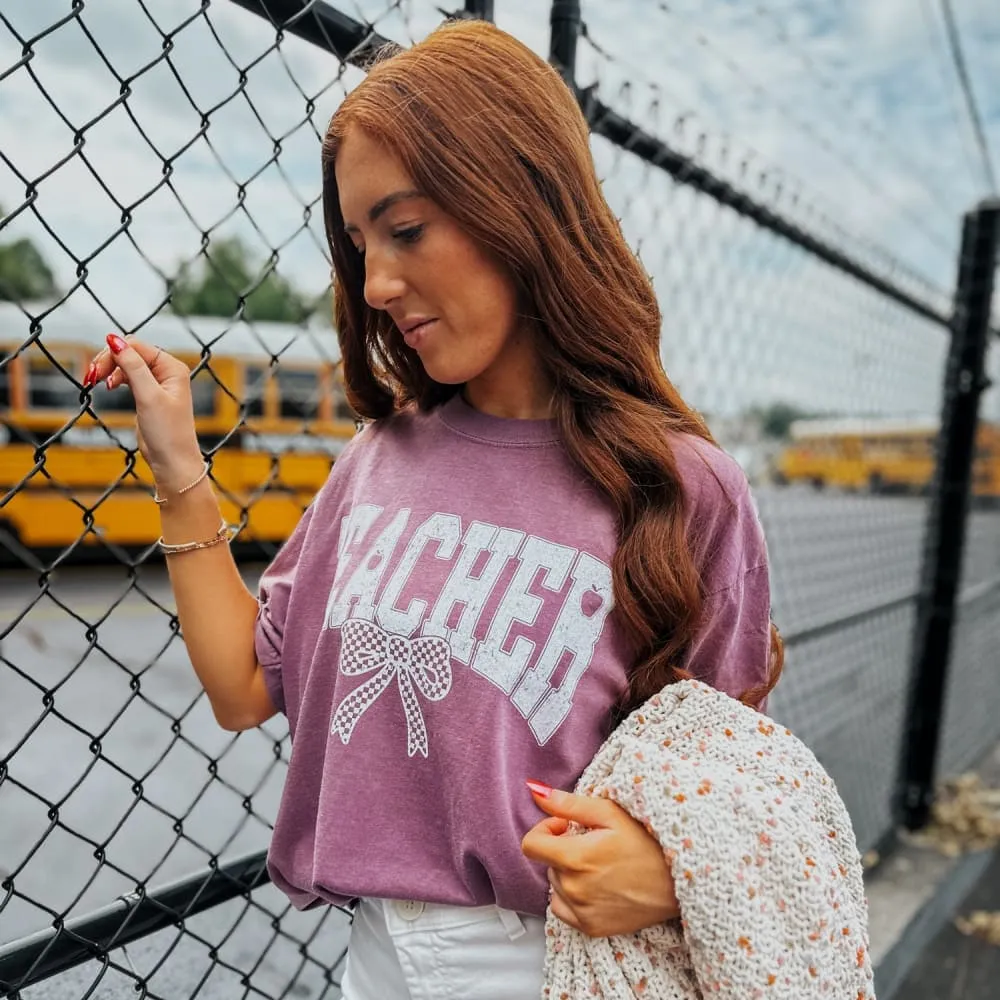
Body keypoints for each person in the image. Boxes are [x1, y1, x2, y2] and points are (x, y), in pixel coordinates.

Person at [83, 18, 782, 1000]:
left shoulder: (683, 486)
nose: (376, 284)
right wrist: (176, 468)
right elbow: (245, 685)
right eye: (360, 244)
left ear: (522, 202)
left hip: (568, 964)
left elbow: (737, 784)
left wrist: (673, 869)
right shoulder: (382, 459)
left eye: (405, 230)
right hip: (375, 960)